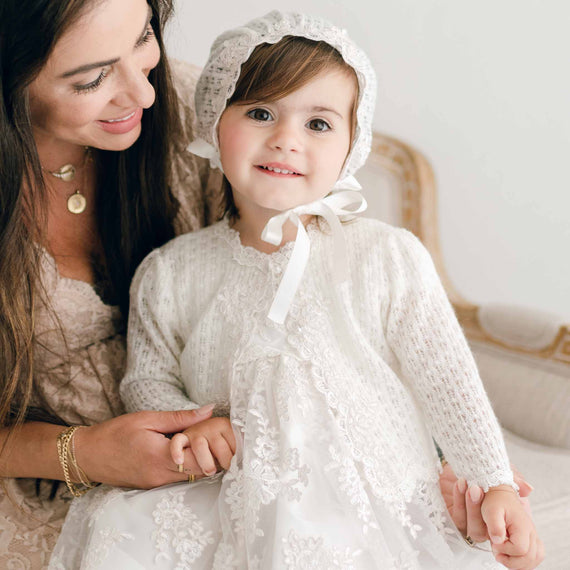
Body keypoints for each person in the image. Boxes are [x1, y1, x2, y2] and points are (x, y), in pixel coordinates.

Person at [48, 11, 543, 569]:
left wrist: (493, 480)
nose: (285, 140)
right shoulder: (172, 269)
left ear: (353, 145)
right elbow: (147, 378)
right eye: (260, 113)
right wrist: (195, 423)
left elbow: (447, 379)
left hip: (372, 489)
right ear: (214, 123)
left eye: (319, 124)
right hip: (233, 488)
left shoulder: (385, 254)